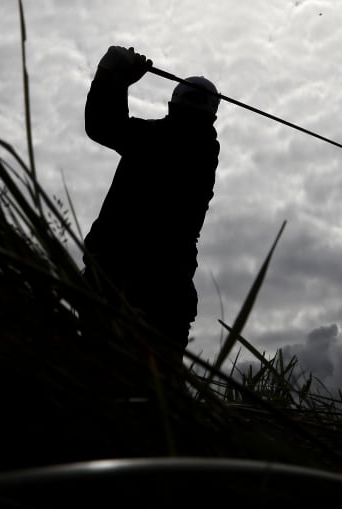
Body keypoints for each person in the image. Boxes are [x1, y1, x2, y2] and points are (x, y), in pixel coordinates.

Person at [81, 45, 220, 369]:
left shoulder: (156, 138)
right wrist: (120, 81)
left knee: (98, 375)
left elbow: (102, 124)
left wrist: (113, 74)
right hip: (168, 291)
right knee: (157, 396)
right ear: (213, 115)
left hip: (117, 279)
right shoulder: (204, 151)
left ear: (172, 105)